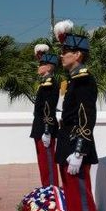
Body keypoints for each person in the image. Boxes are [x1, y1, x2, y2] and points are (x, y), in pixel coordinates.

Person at [53, 20, 100, 211]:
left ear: (77, 54)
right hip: (67, 146)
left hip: (75, 149)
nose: (61, 56)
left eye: (64, 52)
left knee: (81, 201)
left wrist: (79, 151)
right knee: (72, 202)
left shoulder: (83, 81)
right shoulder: (73, 79)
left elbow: (86, 118)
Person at [30, 44, 60, 187]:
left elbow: (48, 108)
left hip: (44, 129)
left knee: (48, 165)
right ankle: (46, 190)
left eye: (41, 64)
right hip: (40, 128)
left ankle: (51, 192)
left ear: (48, 67)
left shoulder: (49, 84)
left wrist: (47, 130)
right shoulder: (44, 83)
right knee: (43, 163)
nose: (38, 67)